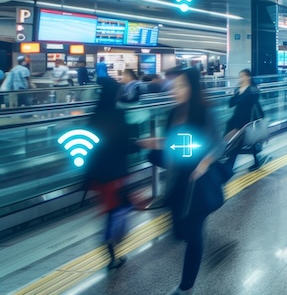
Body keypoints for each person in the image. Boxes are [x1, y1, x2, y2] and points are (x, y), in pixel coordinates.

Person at [139, 68, 224, 295]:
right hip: (177, 182)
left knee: (193, 235)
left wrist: (205, 162)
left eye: (181, 86)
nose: (175, 90)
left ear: (192, 88)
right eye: (174, 86)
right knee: (179, 232)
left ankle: (186, 287)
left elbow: (219, 144)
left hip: (199, 183)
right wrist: (154, 143)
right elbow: (173, 143)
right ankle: (212, 246)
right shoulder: (174, 113)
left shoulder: (205, 112)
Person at [82, 78, 137, 270]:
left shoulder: (95, 116)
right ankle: (112, 253)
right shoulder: (118, 115)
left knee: (112, 211)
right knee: (118, 211)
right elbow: (126, 145)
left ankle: (112, 253)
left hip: (99, 176)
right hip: (116, 175)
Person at [225, 69, 266, 171]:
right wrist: (234, 95)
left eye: (243, 76)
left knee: (240, 142)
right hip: (237, 118)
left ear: (249, 77)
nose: (241, 79)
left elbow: (250, 102)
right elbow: (231, 104)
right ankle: (231, 164)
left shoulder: (252, 89)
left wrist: (239, 93)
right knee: (239, 142)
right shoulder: (238, 89)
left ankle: (229, 165)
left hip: (248, 119)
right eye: (240, 77)